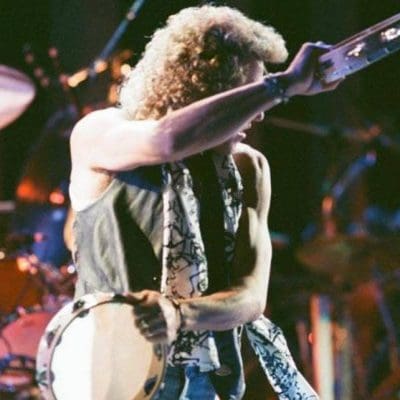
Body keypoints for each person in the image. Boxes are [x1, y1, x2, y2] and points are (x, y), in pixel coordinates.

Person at [68, 5, 341, 399]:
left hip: (208, 385)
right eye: (244, 96)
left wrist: (179, 314)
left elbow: (250, 298)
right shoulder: (99, 131)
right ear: (204, 92)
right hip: (114, 379)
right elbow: (166, 141)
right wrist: (280, 87)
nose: (257, 115)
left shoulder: (248, 167)